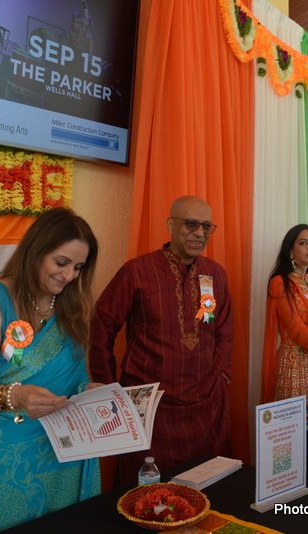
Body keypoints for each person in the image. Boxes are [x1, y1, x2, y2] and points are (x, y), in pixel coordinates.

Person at [0, 207, 101, 533]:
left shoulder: (72, 306)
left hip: (61, 453)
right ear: (36, 251)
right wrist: (16, 396)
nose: (69, 276)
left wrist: (91, 392)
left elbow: (76, 377)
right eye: (61, 263)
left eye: (78, 267)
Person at [89, 195, 234, 484]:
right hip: (150, 405)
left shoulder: (215, 274)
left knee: (207, 485)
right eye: (191, 224)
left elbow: (225, 330)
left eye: (206, 226)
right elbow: (102, 326)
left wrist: (221, 375)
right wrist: (108, 388)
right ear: (170, 225)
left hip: (205, 404)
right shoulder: (137, 271)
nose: (200, 233)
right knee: (146, 490)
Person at [262, 224, 308, 407]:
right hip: (295, 366)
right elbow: (295, 329)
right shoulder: (280, 283)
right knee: (297, 421)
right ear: (290, 250)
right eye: (303, 243)